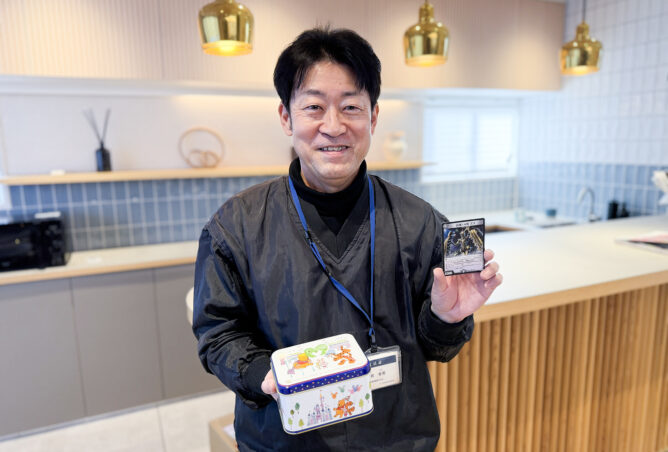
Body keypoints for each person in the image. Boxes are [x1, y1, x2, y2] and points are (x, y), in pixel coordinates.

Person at [193, 27, 502, 451]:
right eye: (314, 107)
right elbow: (218, 333)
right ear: (286, 117)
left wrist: (447, 319)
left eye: (351, 107)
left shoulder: (423, 222)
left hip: (394, 439)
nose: (333, 126)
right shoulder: (235, 226)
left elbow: (439, 347)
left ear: (373, 117)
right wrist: (265, 375)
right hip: (285, 439)